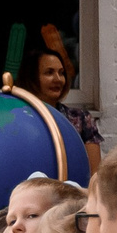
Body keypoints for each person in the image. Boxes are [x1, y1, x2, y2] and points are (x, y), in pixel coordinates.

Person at [26, 43, 104, 176]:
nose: (58, 79)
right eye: (49, 72)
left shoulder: (81, 118)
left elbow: (95, 175)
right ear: (32, 78)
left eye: (61, 73)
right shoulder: (22, 118)